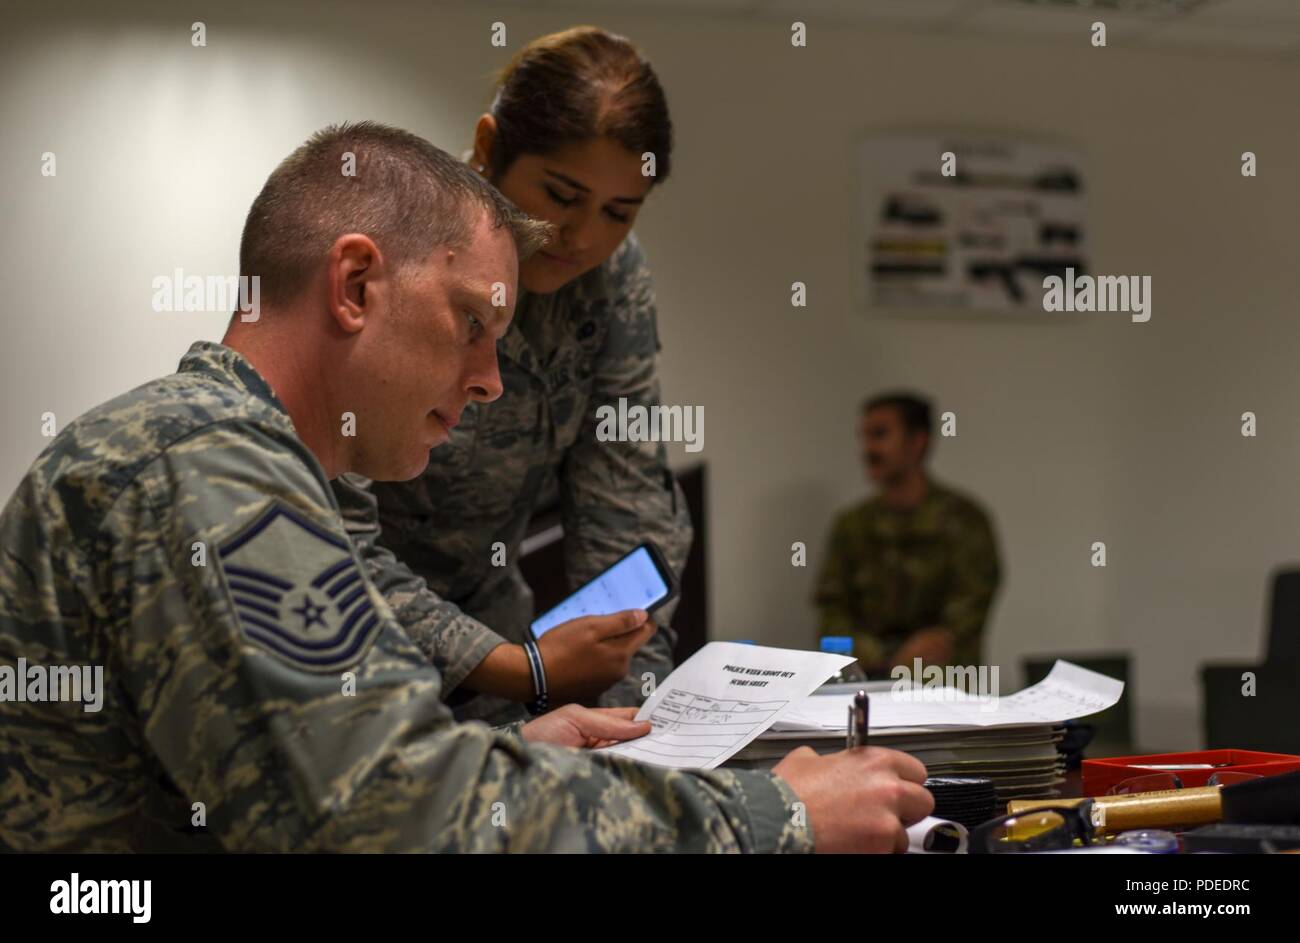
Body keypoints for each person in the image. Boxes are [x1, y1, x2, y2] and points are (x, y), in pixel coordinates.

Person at [0, 123, 932, 852]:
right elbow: (386, 821)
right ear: (356, 284)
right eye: (471, 322)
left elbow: (336, 780)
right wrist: (776, 814)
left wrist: (497, 760)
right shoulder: (207, 461)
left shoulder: (224, 449)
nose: (490, 378)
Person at [335, 26, 690, 725]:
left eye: (620, 211)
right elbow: (330, 534)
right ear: (490, 148)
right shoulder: (396, 251)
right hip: (351, 645)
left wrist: (635, 715)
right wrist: (513, 667)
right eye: (561, 194)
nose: (584, 235)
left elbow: (626, 498)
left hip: (500, 639)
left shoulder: (612, 280)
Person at [814, 392, 1001, 675]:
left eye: (880, 435)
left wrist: (918, 655)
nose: (868, 449)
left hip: (947, 686)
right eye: (864, 437)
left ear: (917, 441)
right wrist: (882, 656)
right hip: (867, 680)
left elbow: (965, 617)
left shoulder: (964, 521)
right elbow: (831, 612)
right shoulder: (852, 525)